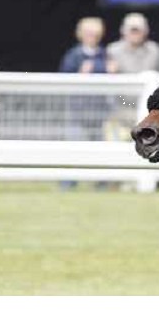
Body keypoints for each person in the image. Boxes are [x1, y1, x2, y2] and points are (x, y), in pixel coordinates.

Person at [59, 17, 116, 189]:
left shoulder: (105, 54)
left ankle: (101, 183)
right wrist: (80, 74)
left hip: (99, 110)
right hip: (78, 109)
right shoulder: (73, 55)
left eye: (95, 33)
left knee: (100, 148)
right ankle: (68, 183)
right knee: (73, 147)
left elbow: (111, 76)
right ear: (81, 34)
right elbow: (63, 77)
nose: (91, 36)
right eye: (88, 33)